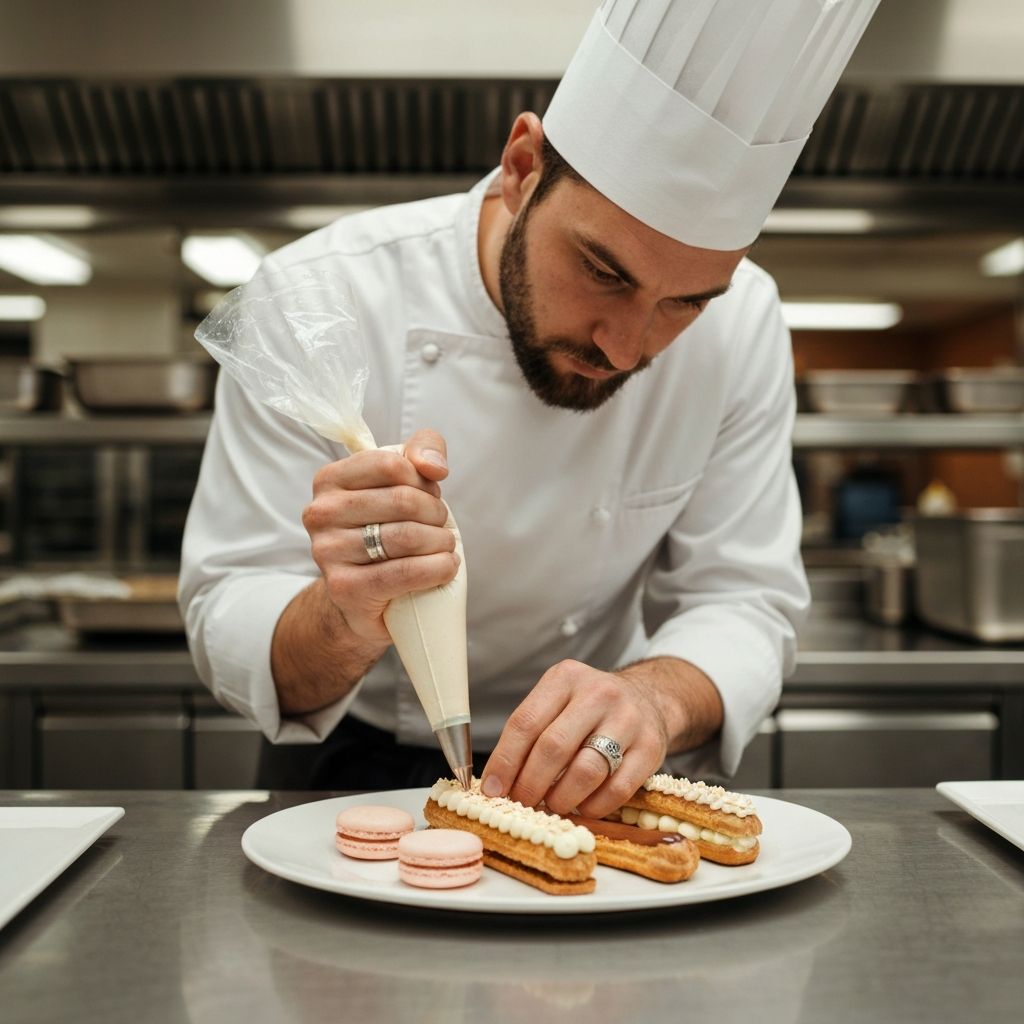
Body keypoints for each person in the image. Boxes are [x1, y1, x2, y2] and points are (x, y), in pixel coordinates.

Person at [179, 0, 879, 816]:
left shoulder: (744, 323)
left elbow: (745, 601)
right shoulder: (316, 298)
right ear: (521, 168)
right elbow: (227, 616)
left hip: (596, 769)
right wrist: (346, 611)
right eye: (604, 272)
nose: (626, 347)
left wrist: (653, 701)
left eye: (683, 303)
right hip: (351, 766)